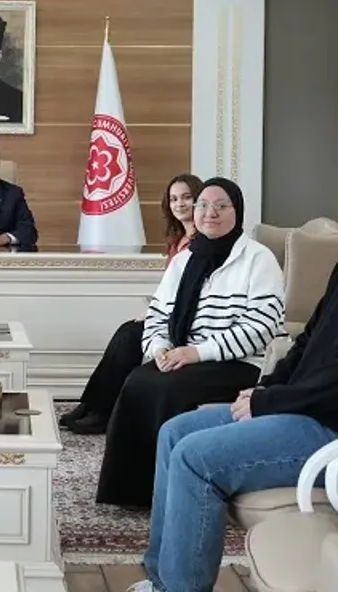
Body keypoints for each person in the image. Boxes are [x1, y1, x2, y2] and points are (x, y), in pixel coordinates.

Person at [130, 133, 338, 592]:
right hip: (319, 417)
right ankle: (161, 580)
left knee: (194, 457)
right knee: (175, 432)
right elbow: (308, 344)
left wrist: (271, 402)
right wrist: (265, 388)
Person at [90, 178, 285, 507]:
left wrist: (197, 352)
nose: (211, 213)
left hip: (237, 363)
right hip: (184, 356)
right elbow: (158, 313)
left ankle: (168, 490)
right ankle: (130, 491)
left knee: (169, 388)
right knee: (138, 380)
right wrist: (159, 348)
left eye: (221, 206)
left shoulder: (258, 258)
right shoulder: (184, 260)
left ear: (237, 212)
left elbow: (261, 328)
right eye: (203, 206)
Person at [59, 173, 204, 435]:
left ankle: (102, 411)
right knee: (126, 331)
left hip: (186, 319)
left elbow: (191, 291)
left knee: (129, 336)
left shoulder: (202, 244)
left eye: (186, 197)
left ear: (198, 200)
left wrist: (155, 312)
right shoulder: (177, 240)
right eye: (173, 199)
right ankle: (91, 404)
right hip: (165, 312)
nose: (179, 204)